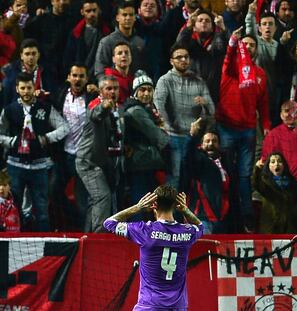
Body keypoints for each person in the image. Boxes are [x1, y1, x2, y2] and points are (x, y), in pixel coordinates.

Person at [103, 185, 203, 310]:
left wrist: (138, 207)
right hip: (177, 306)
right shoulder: (187, 233)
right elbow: (200, 226)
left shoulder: (145, 231)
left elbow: (109, 223)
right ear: (176, 205)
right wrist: (185, 210)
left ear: (154, 204)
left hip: (150, 305)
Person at [215, 26, 270, 232]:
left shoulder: (261, 74)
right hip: (226, 128)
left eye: (252, 44)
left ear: (256, 49)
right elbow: (228, 58)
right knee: (229, 174)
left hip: (248, 130)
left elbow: (263, 103)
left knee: (245, 175)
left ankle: (247, 218)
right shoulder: (230, 68)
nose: (248, 47)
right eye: (245, 43)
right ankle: (229, 218)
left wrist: (266, 125)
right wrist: (232, 42)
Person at [0, 72, 69, 231]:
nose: (26, 91)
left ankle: (43, 246)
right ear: (17, 89)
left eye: (29, 88)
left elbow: (65, 127)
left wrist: (46, 138)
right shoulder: (10, 110)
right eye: (22, 88)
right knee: (15, 208)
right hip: (15, 165)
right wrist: (10, 142)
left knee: (42, 209)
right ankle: (17, 244)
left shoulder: (44, 108)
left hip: (39, 166)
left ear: (34, 88)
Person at [154, 44, 214, 190]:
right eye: (179, 57)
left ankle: (189, 212)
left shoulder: (198, 81)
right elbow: (158, 107)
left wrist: (204, 103)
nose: (183, 60)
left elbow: (212, 110)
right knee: (175, 178)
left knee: (192, 179)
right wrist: (170, 127)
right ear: (171, 61)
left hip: (194, 138)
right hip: (173, 137)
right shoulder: (165, 80)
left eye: (186, 57)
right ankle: (168, 212)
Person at [50, 63, 98, 231]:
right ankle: (66, 225)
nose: (77, 79)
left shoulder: (91, 98)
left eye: (81, 76)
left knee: (82, 200)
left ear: (86, 79)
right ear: (68, 77)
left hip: (83, 156)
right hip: (64, 155)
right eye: (75, 76)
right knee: (54, 191)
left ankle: (84, 234)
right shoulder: (60, 95)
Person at [76, 75, 124, 232]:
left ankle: (88, 237)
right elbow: (95, 115)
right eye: (108, 88)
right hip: (89, 162)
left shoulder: (119, 108)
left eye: (115, 88)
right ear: (101, 91)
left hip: (104, 162)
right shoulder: (96, 104)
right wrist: (104, 107)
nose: (112, 92)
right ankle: (98, 238)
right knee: (102, 197)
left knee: (96, 201)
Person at [124, 71, 169, 205]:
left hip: (145, 161)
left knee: (146, 201)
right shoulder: (136, 110)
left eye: (150, 90)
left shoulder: (147, 108)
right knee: (141, 201)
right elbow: (158, 136)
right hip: (140, 162)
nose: (146, 93)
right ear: (135, 92)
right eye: (142, 90)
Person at [181, 118, 232, 233]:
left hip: (222, 218)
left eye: (214, 141)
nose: (210, 144)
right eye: (207, 141)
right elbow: (187, 159)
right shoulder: (199, 160)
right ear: (201, 144)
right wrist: (191, 136)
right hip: (201, 218)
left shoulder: (226, 162)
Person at [253, 152, 297, 233]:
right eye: (273, 161)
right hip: (271, 230)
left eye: (279, 161)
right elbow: (256, 183)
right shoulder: (266, 184)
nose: (276, 164)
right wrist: (257, 169)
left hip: (291, 231)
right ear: (268, 166)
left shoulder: (294, 185)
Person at [94, 1, 145, 79]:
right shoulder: (106, 42)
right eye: (124, 15)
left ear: (135, 17)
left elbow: (145, 67)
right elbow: (100, 70)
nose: (128, 18)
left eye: (131, 15)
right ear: (117, 17)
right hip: (114, 88)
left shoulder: (140, 42)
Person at [64, 0, 111, 82]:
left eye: (94, 10)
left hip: (101, 76)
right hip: (80, 77)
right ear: (82, 12)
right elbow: (69, 57)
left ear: (99, 10)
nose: (92, 14)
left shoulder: (107, 32)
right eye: (88, 11)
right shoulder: (75, 33)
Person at [103, 41, 133, 106]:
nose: (124, 55)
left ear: (131, 58)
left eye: (126, 53)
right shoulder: (106, 77)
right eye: (120, 53)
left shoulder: (135, 78)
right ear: (113, 59)